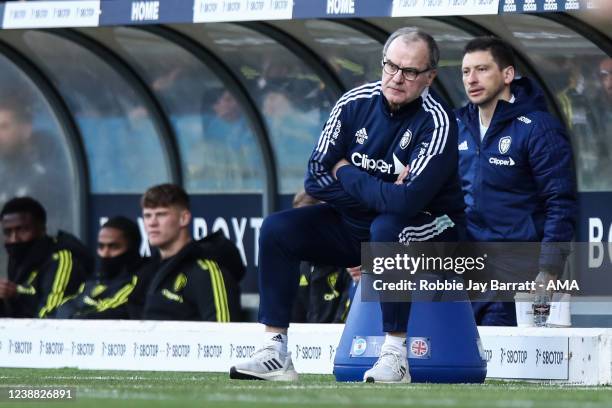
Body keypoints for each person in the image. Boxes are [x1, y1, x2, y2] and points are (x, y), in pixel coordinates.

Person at [230, 28, 465, 383]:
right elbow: (314, 177)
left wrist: (345, 170)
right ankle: (274, 350)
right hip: (360, 223)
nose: (397, 78)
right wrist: (377, 192)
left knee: (387, 228)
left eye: (410, 71)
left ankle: (395, 356)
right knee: (278, 229)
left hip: (433, 228)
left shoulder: (438, 122)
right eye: (391, 66)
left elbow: (406, 203)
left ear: (429, 77)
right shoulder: (354, 101)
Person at [455, 37, 576, 326]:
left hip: (519, 272)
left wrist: (548, 271)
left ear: (507, 75)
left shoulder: (538, 128)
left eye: (482, 69)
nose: (472, 79)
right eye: (465, 71)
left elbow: (560, 203)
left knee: (501, 364)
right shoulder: (455, 125)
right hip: (468, 271)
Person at [137, 183, 242, 321]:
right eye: (147, 215)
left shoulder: (206, 271)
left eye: (161, 214)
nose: (152, 223)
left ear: (184, 218)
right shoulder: (147, 270)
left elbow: (223, 334)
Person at [0, 197, 91, 318]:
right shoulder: (18, 258)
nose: (14, 239)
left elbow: (51, 315)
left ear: (42, 229)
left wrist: (16, 294)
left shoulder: (62, 259)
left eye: (22, 230)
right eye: (8, 232)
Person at [54, 217, 145, 319]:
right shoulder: (96, 277)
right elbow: (68, 303)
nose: (105, 254)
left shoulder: (138, 280)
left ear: (132, 248)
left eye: (113, 247)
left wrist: (76, 318)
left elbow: (110, 311)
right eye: (101, 246)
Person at [290, 191, 355, 324]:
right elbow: (293, 316)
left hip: (336, 340)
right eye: (298, 224)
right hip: (304, 341)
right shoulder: (297, 263)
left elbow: (347, 313)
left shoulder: (348, 259)